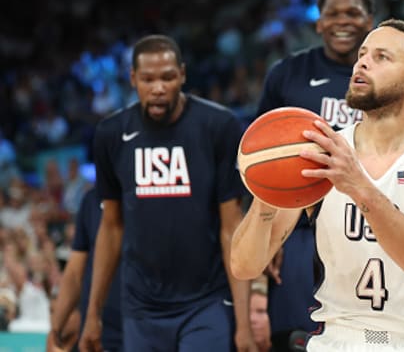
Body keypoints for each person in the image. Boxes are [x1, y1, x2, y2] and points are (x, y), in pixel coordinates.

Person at [230, 19, 404, 351]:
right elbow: (245, 266)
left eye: (382, 57)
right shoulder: (319, 152)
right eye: (362, 54)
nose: (362, 62)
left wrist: (358, 185)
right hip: (335, 340)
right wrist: (267, 193)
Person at [79, 35, 256, 352]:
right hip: (141, 308)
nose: (158, 87)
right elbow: (111, 227)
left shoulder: (219, 126)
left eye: (168, 77)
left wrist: (243, 324)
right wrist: (92, 313)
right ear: (133, 79)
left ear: (183, 75)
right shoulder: (111, 134)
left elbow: (232, 228)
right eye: (148, 79)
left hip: (206, 303)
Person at [254, 0, 375, 350]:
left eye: (353, 13)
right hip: (301, 227)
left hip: (368, 222)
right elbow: (258, 161)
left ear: (369, 21)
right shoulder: (288, 75)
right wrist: (267, 236)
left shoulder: (387, 77)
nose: (343, 21)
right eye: (333, 13)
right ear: (318, 23)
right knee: (294, 338)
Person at [50, 187, 123, 351]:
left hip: (138, 332)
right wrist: (55, 329)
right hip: (93, 337)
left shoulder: (144, 200)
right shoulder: (91, 200)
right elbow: (75, 272)